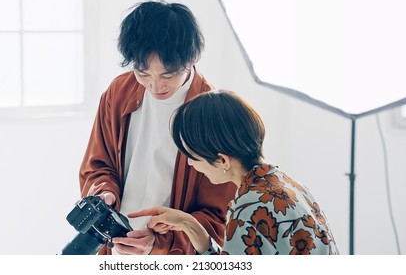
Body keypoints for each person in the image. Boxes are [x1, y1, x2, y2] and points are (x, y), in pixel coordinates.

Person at [79, 0, 236, 255]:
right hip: (113, 247)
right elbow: (97, 166)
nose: (155, 86)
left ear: (192, 58)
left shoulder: (215, 116)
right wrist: (104, 193)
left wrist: (159, 244)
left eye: (168, 74)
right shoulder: (119, 92)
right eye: (143, 73)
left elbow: (219, 217)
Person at [129, 90, 339, 255]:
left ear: (222, 160)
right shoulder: (290, 185)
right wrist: (188, 223)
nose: (191, 165)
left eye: (193, 157)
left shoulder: (249, 208)